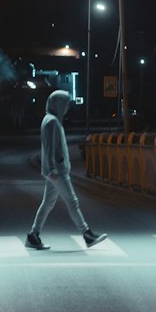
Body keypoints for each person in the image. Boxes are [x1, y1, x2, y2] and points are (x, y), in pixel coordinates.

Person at [26, 89, 107, 250]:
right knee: (72, 202)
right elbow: (50, 148)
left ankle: (33, 235)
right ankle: (87, 234)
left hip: (54, 170)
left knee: (48, 203)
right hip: (57, 171)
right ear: (57, 104)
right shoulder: (52, 122)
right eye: (65, 104)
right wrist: (52, 169)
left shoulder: (50, 120)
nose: (67, 107)